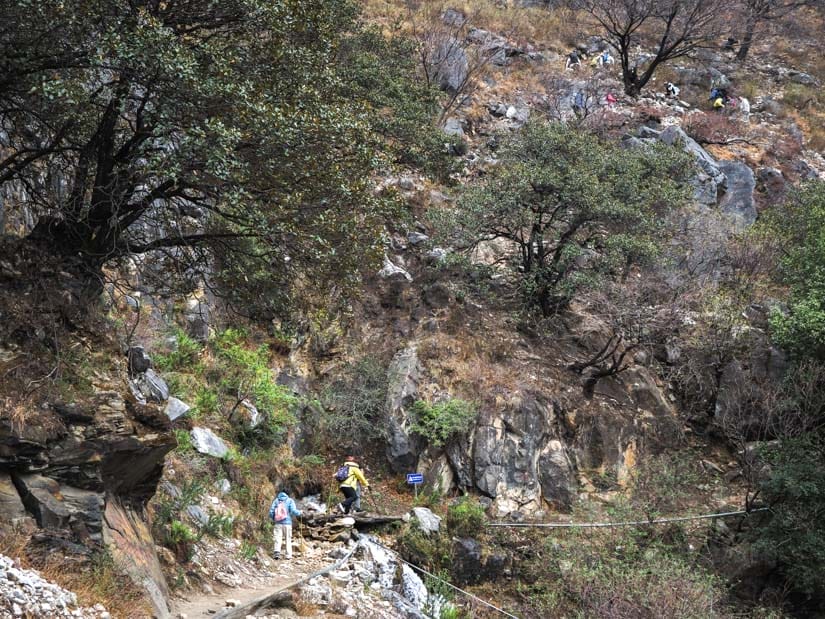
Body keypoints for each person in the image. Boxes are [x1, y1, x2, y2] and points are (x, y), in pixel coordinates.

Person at [268, 491, 301, 560]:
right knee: (288, 539)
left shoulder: (276, 501)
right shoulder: (290, 500)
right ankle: (288, 555)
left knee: (277, 538)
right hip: (287, 524)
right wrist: (299, 513)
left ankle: (277, 553)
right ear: (287, 494)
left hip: (278, 524)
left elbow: (271, 512)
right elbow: (293, 511)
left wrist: (274, 518)